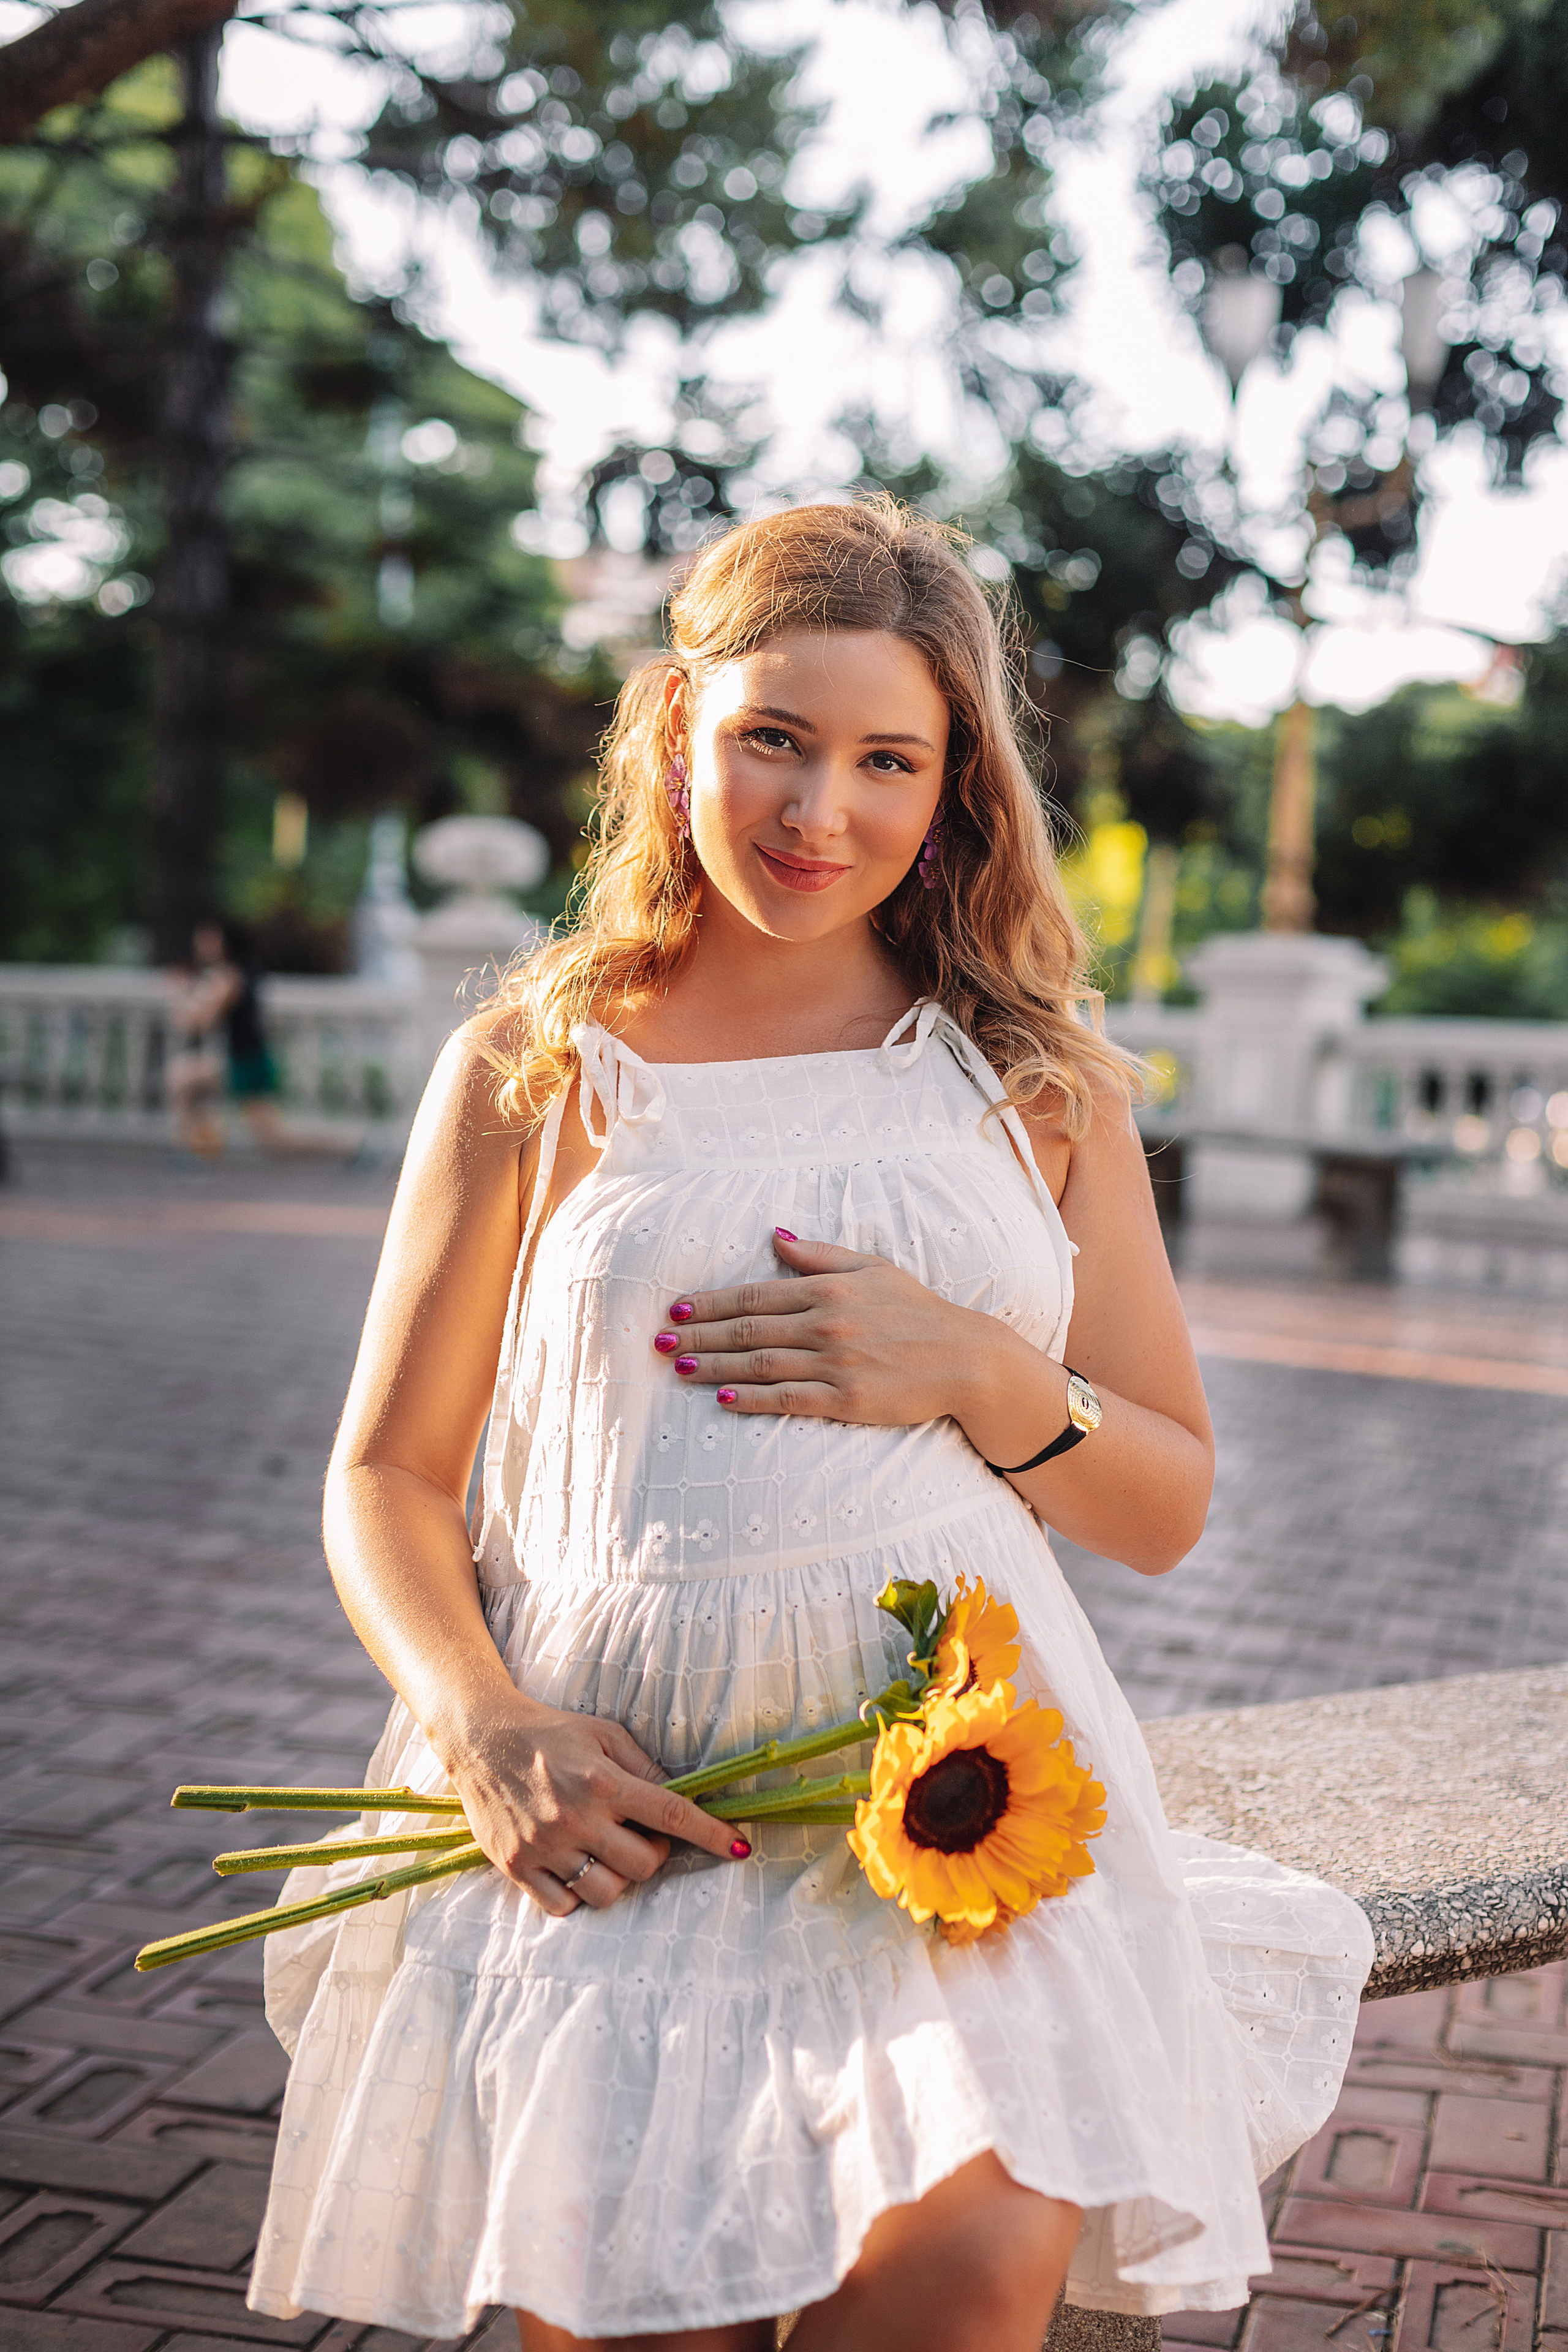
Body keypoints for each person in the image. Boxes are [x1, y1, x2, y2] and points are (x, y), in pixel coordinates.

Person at [247, 500, 1372, 2352]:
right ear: (679, 718)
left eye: (885, 760)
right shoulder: (542, 1062)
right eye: (773, 734)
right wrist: (486, 1726)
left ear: (954, 791)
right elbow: (389, 1473)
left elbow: (1165, 1507)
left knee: (958, 2276)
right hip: (625, 1807)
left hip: (951, 1813)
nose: (814, 810)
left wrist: (983, 1374)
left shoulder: (1031, 1080)